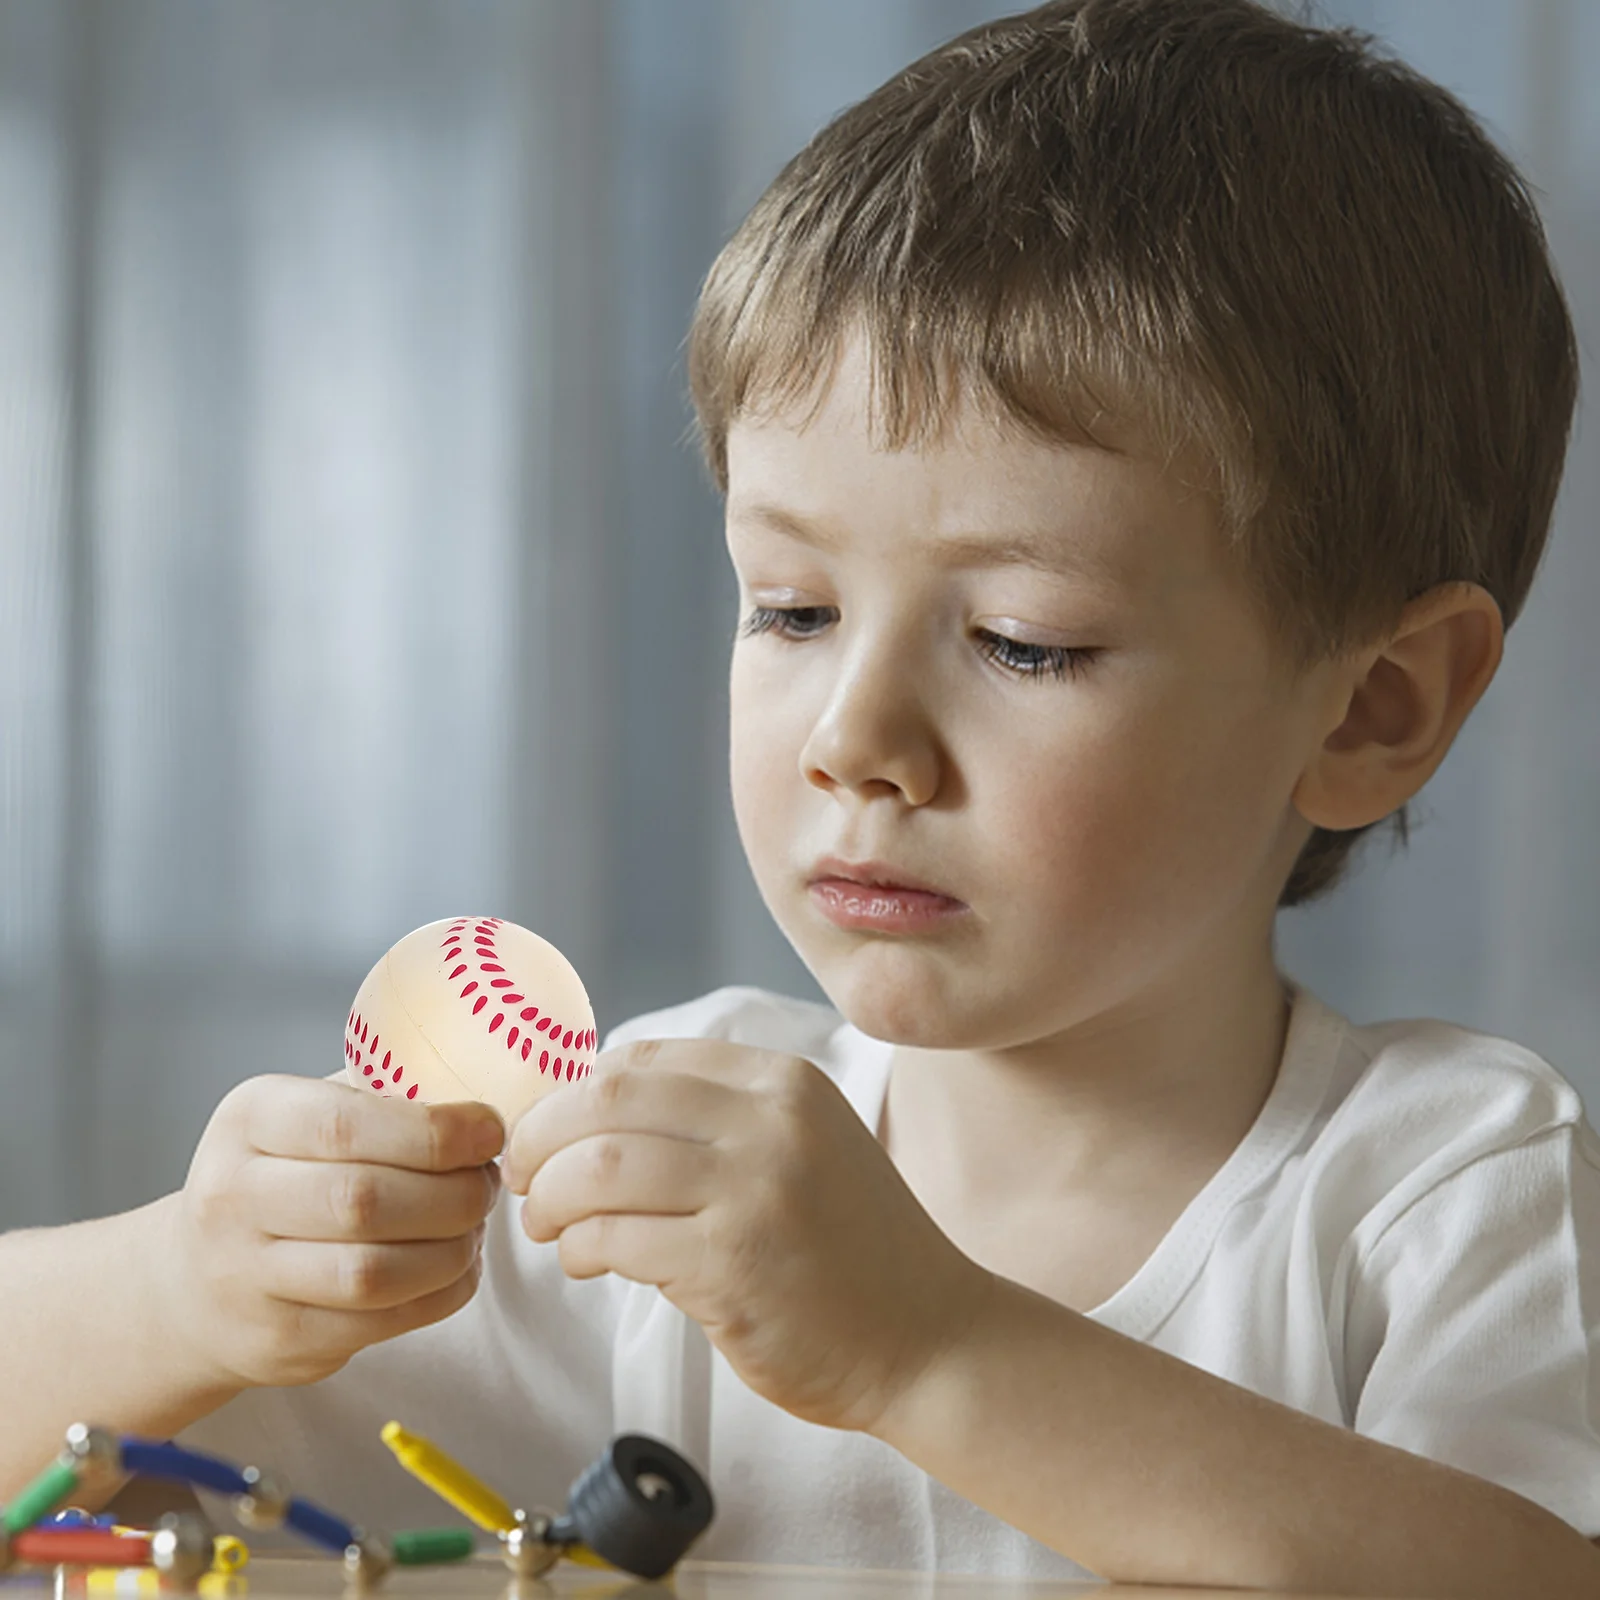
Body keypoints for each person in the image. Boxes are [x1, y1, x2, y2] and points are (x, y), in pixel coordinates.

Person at [3, 0, 1597, 1591]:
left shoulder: (1447, 1189)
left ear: (1375, 707)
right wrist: (184, 1283)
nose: (856, 737)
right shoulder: (647, 1172)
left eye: (1022, 642)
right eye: (791, 608)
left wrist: (927, 1351)